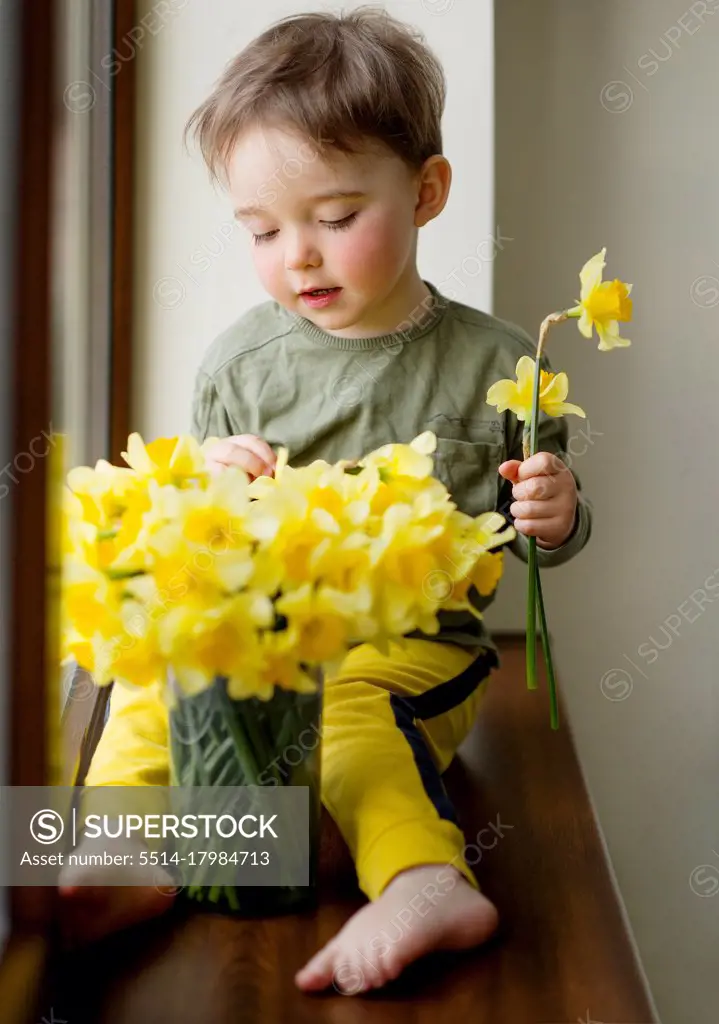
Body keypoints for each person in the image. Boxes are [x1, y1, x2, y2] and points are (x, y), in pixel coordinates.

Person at [59, 7, 592, 995]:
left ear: (426, 191)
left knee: (352, 719)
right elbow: (202, 543)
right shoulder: (238, 365)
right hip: (266, 640)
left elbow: (541, 541)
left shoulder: (500, 364)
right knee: (148, 681)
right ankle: (122, 849)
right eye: (261, 229)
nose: (295, 255)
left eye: (336, 218)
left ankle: (424, 876)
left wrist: (554, 513)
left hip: (409, 651)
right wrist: (212, 488)